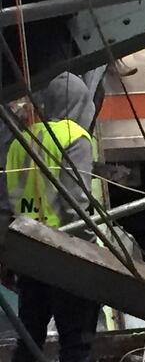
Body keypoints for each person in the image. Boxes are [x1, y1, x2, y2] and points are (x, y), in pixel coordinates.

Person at [6, 73, 101, 362]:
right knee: (76, 343)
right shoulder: (75, 138)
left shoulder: (20, 141)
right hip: (65, 251)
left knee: (30, 340)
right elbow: (76, 204)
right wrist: (92, 251)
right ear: (83, 104)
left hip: (31, 251)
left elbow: (12, 200)